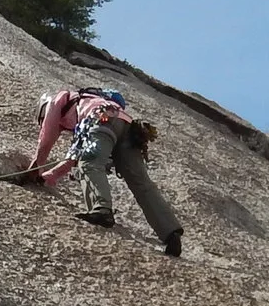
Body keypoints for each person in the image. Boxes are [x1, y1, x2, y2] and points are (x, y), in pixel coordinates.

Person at [27, 86, 183, 257]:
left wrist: (36, 167)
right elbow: (73, 157)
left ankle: (101, 210)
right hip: (126, 126)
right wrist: (48, 176)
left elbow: (47, 136)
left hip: (100, 120)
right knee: (141, 182)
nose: (60, 127)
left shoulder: (57, 100)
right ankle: (170, 233)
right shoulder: (86, 103)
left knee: (89, 163)